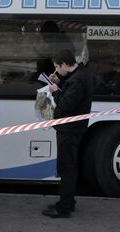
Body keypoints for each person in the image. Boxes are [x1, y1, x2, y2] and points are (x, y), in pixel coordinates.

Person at [41, 49, 93, 218]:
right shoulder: (80, 74)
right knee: (69, 166)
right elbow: (71, 97)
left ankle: (64, 208)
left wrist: (55, 91)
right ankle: (68, 202)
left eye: (57, 67)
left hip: (70, 129)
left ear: (64, 64)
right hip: (74, 128)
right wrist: (61, 82)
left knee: (67, 168)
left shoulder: (77, 81)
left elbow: (65, 107)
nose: (56, 70)